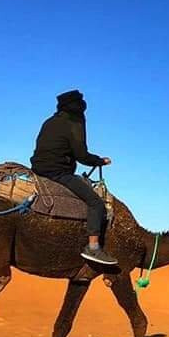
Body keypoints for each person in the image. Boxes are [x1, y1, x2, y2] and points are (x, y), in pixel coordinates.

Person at [30, 90, 115, 265]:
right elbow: (81, 155)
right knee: (96, 203)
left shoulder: (50, 121)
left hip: (39, 169)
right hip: (57, 172)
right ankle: (93, 248)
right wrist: (100, 161)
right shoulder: (74, 122)